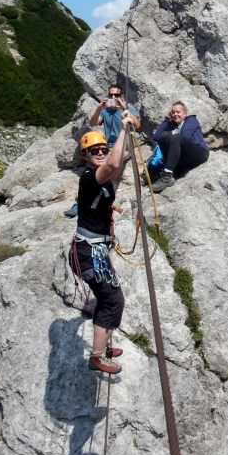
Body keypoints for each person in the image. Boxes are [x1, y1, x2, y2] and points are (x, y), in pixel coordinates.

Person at [69, 110, 134, 374]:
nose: (99, 152)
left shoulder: (103, 174)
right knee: (112, 300)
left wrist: (127, 129)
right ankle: (97, 355)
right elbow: (114, 164)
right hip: (88, 252)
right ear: (85, 156)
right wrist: (119, 130)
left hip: (94, 250)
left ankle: (103, 345)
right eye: (93, 150)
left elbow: (123, 155)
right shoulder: (89, 178)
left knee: (107, 297)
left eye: (102, 148)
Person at [64, 84, 140, 217]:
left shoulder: (128, 110)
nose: (113, 97)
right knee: (93, 167)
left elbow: (137, 125)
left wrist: (124, 108)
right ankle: (82, 200)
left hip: (124, 145)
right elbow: (94, 123)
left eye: (116, 95)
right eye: (111, 95)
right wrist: (99, 108)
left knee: (112, 163)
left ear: (121, 96)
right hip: (108, 146)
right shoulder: (105, 112)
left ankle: (102, 194)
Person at [151, 101, 209, 193]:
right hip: (184, 160)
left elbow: (184, 137)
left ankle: (167, 175)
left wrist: (173, 136)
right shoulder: (172, 126)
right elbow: (156, 137)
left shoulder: (191, 120)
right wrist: (167, 119)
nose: (175, 114)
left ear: (185, 114)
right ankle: (174, 172)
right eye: (173, 112)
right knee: (163, 136)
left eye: (178, 112)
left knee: (176, 138)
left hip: (199, 154)